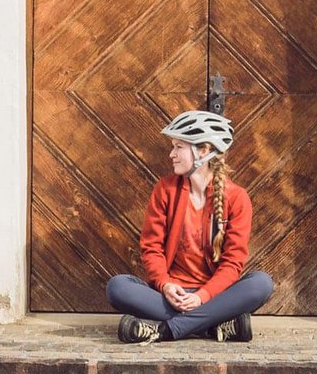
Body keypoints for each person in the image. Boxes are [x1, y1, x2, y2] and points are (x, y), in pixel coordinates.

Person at [106, 110, 275, 343]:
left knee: (261, 284)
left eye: (179, 147)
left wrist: (203, 296)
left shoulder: (237, 197)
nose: (171, 154)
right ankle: (212, 326)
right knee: (118, 287)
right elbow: (151, 248)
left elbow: (233, 263)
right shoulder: (165, 190)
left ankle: (165, 330)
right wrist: (165, 285)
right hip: (169, 297)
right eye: (173, 146)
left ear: (203, 151)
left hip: (215, 296)